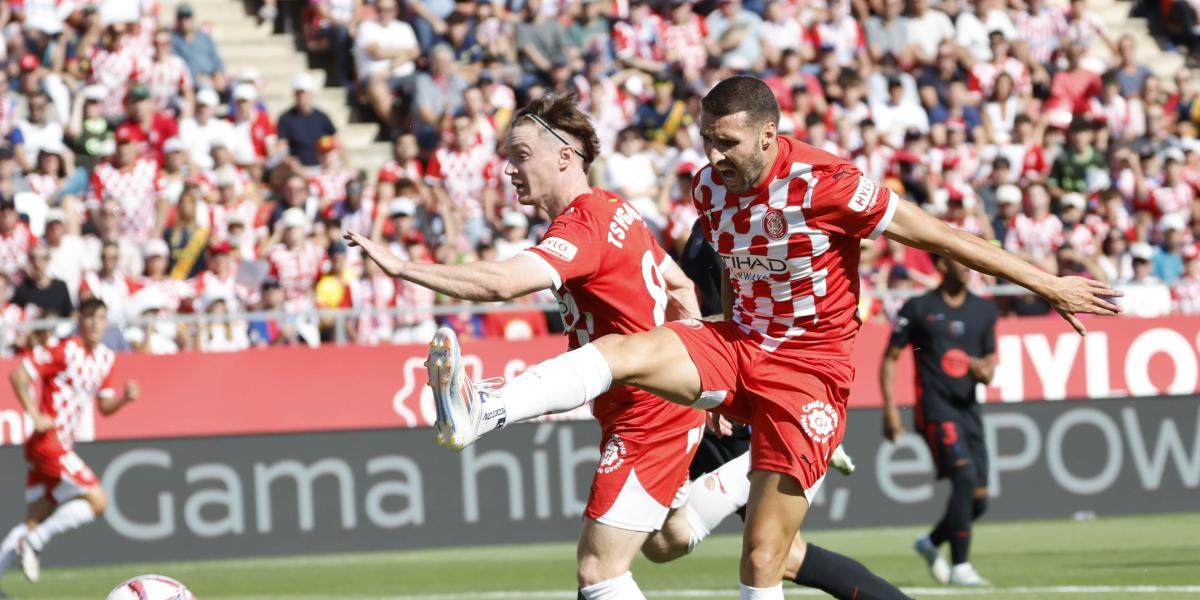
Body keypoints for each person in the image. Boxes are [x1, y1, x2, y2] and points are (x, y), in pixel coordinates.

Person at [417, 76, 1121, 600]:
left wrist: (1048, 283)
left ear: (766, 135)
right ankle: (484, 406)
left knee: (763, 559)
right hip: (741, 343)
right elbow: (723, 273)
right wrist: (715, 385)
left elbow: (944, 236)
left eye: (726, 143)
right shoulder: (708, 191)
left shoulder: (831, 184)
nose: (713, 156)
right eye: (705, 141)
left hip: (810, 371)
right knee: (625, 354)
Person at [348, 93, 731, 600]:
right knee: (665, 539)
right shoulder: (619, 209)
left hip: (646, 414)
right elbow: (681, 287)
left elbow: (503, 283)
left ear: (564, 157)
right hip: (660, 401)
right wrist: (698, 379)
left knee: (600, 572)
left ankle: (483, 408)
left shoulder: (585, 224)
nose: (509, 170)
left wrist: (404, 268)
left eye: (521, 155)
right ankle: (753, 467)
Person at [0, 299, 137, 585]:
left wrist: (124, 398)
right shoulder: (65, 351)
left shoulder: (105, 358)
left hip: (61, 444)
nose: (95, 323)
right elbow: (18, 374)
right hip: (48, 442)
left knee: (33, 520)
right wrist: (34, 413)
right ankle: (34, 542)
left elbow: (104, 408)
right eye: (89, 317)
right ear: (79, 320)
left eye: (101, 317)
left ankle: (28, 542)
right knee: (98, 501)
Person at [880, 254, 996, 586]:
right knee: (964, 476)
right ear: (942, 266)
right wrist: (890, 409)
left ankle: (930, 542)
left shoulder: (984, 310)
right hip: (934, 407)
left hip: (969, 409)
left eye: (969, 262)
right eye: (960, 261)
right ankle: (961, 567)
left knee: (979, 499)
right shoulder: (918, 308)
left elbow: (989, 368)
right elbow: (890, 359)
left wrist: (982, 370)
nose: (968, 267)